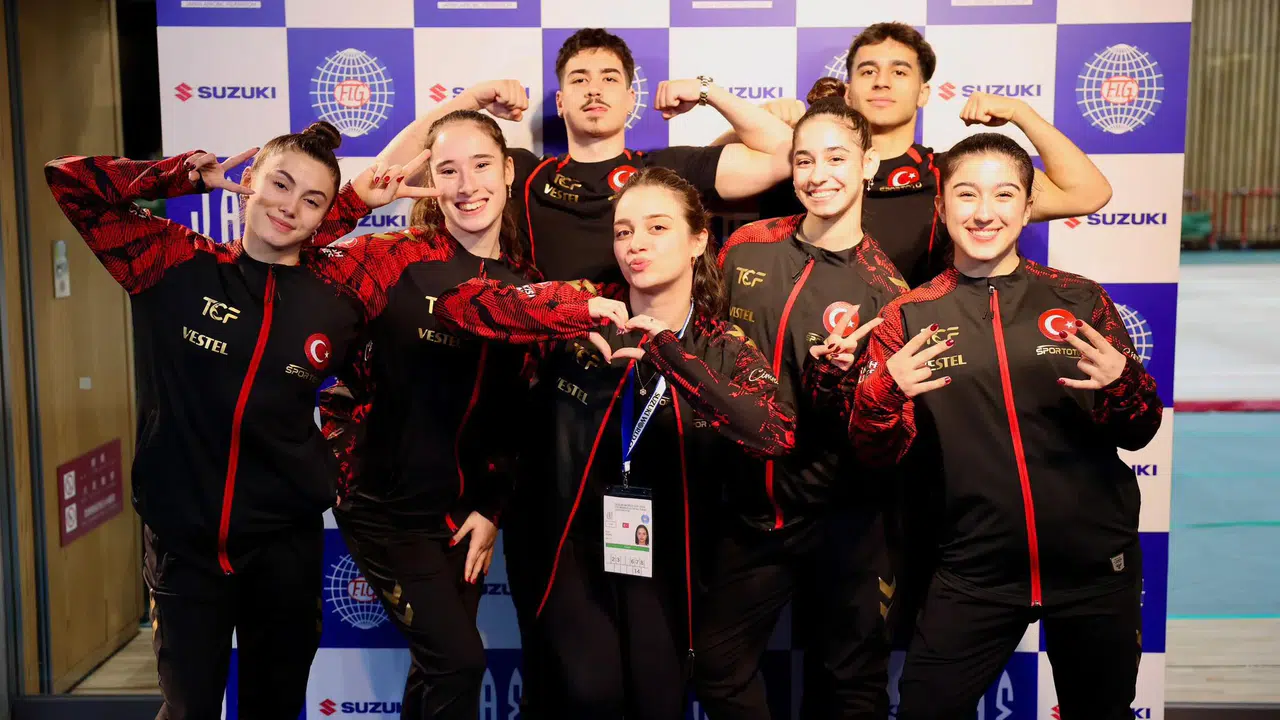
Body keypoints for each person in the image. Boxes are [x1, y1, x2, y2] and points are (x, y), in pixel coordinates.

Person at [44, 122, 438, 719]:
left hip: (284, 549)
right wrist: (183, 174)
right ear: (249, 180)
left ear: (325, 216)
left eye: (312, 200)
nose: (290, 207)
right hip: (184, 547)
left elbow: (399, 370)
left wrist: (336, 466)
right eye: (280, 185)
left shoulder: (336, 293)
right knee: (188, 710)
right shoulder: (173, 262)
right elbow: (69, 182)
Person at [432, 167, 797, 720]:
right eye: (624, 231)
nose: (635, 244)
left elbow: (777, 434)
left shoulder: (720, 345)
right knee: (585, 695)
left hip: (671, 563)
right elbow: (458, 306)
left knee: (655, 703)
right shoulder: (584, 310)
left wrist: (671, 354)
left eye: (657, 227)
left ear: (698, 241)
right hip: (571, 553)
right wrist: (572, 314)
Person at [850, 133, 1162, 719]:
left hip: (1094, 568)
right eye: (967, 194)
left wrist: (1125, 383)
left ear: (1027, 205)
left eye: (1004, 194)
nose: (984, 212)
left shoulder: (1079, 300)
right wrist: (883, 392)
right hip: (972, 570)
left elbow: (1140, 430)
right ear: (942, 205)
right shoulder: (909, 316)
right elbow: (875, 454)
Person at [316, 109, 535, 720]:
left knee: (437, 672)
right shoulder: (392, 259)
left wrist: (492, 507)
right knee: (458, 664)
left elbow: (518, 413)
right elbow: (286, 251)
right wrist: (352, 203)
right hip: (384, 510)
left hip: (461, 518)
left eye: (481, 165)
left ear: (508, 171)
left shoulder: (524, 284)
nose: (467, 186)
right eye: (448, 170)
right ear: (429, 181)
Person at [692, 97, 907, 719]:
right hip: (749, 513)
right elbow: (707, 341)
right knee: (717, 668)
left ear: (868, 164)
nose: (819, 175)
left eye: (837, 158)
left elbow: (884, 430)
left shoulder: (888, 292)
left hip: (844, 517)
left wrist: (843, 382)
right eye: (805, 160)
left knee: (850, 685)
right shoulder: (749, 245)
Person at [726, 22, 1113, 289]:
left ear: (924, 92)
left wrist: (1021, 113)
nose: (882, 82)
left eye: (899, 72)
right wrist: (751, 124)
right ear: (847, 91)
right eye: (868, 71)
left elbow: (1087, 194)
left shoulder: (952, 174)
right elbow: (701, 188)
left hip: (914, 361)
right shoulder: (799, 164)